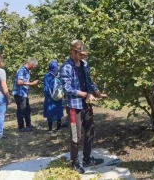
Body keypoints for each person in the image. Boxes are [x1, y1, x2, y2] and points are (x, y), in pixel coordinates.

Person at [60, 40, 108, 174]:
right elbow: (66, 87)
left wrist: (97, 92)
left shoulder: (84, 64)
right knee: (76, 135)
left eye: (84, 54)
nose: (83, 56)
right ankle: (75, 161)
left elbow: (89, 81)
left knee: (90, 131)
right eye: (81, 54)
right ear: (73, 52)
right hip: (74, 106)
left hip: (86, 104)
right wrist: (86, 94)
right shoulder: (66, 67)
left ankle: (87, 158)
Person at [12, 58, 39, 132]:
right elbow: (19, 82)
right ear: (31, 64)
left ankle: (28, 125)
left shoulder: (27, 71)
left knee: (27, 110)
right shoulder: (22, 70)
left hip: (24, 93)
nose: (34, 68)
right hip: (19, 94)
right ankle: (21, 128)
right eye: (34, 66)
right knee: (21, 110)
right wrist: (31, 83)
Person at [43, 60, 64, 133]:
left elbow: (46, 87)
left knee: (50, 111)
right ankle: (59, 127)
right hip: (58, 96)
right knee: (58, 110)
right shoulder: (60, 75)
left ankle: (50, 128)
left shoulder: (47, 75)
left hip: (50, 97)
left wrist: (47, 94)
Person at [0, 55, 12, 139]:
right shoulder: (1, 71)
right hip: (0, 96)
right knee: (0, 115)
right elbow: (3, 85)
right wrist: (8, 97)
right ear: (0, 62)